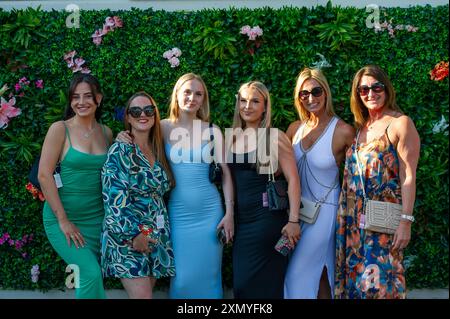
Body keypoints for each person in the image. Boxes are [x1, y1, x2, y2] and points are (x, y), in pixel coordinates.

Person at [117, 73, 234, 298]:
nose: (192, 98)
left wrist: (229, 213)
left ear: (204, 99)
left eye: (198, 94)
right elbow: (139, 141)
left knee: (210, 276)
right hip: (178, 214)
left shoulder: (213, 130)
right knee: (181, 278)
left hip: (210, 213)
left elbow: (226, 174)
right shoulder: (162, 127)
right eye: (187, 92)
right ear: (177, 95)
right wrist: (124, 136)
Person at [335, 65, 420, 299]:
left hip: (382, 223)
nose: (370, 94)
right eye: (363, 90)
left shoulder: (400, 123)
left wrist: (406, 221)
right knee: (355, 286)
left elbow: (408, 176)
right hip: (351, 223)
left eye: (376, 87)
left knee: (379, 287)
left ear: (386, 88)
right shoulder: (362, 127)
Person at [38, 73, 113, 299]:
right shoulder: (60, 129)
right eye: (75, 97)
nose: (81, 102)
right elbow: (44, 175)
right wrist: (63, 221)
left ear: (98, 99)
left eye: (88, 96)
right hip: (62, 220)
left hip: (96, 220)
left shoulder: (107, 132)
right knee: (90, 273)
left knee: (89, 275)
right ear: (70, 101)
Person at [284, 68, 355, 299]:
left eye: (316, 91)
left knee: (296, 276)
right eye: (304, 94)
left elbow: (358, 177)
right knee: (323, 273)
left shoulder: (343, 131)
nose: (311, 98)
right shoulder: (295, 129)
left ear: (326, 92)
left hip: (325, 213)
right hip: (296, 212)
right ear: (298, 97)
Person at [227, 81, 301, 299]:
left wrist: (294, 221)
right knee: (241, 287)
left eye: (255, 101)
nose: (247, 106)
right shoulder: (232, 136)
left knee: (266, 288)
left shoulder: (275, 136)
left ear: (265, 107)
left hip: (268, 221)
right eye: (243, 100)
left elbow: (294, 180)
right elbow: (229, 179)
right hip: (242, 223)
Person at [101, 92, 176, 299]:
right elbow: (114, 198)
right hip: (128, 236)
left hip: (156, 235)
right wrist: (136, 234)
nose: (142, 115)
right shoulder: (120, 150)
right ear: (127, 117)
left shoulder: (158, 148)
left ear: (155, 114)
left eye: (148, 110)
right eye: (136, 111)